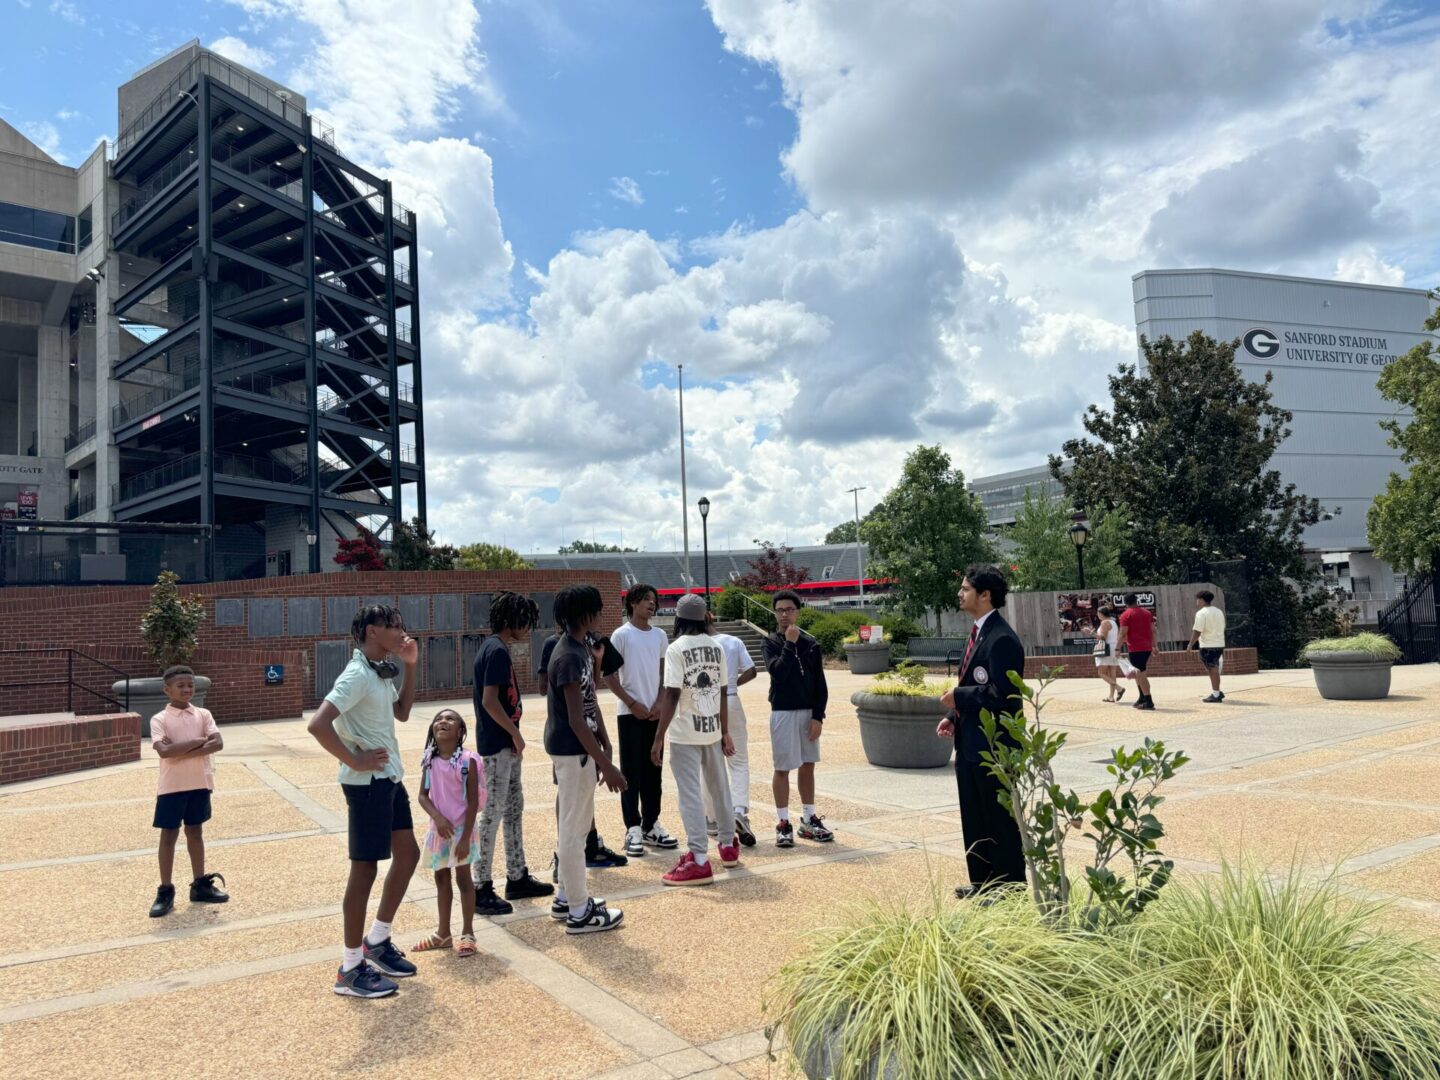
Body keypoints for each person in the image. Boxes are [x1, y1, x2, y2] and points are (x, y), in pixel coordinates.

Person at [308, 604, 421, 999]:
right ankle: (351, 966)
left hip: (388, 777)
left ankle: (377, 940)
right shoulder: (356, 673)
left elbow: (402, 713)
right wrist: (354, 759)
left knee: (407, 855)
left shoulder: (376, 671)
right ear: (372, 631)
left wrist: (410, 666)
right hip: (367, 782)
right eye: (394, 626)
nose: (401, 632)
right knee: (365, 870)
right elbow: (318, 723)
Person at [937, 565, 1027, 897]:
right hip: (972, 741)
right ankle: (983, 882)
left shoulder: (1002, 638)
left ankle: (1010, 888)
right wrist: (954, 715)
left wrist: (958, 697)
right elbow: (975, 684)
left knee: (999, 818)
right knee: (975, 814)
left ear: (985, 595)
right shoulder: (978, 631)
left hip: (996, 746)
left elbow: (1004, 695)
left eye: (965, 589)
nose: (960, 594)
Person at [545, 585, 627, 934]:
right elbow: (576, 718)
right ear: (586, 615)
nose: (602, 613)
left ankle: (567, 896)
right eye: (598, 609)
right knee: (575, 831)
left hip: (581, 749)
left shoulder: (579, 650)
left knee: (574, 825)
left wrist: (605, 744)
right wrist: (606, 765)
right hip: (572, 749)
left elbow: (590, 702)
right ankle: (579, 912)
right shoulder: (567, 655)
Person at [472, 592, 552, 917]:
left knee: (514, 807)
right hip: (498, 745)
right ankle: (480, 887)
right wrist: (516, 733)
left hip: (505, 745)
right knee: (492, 812)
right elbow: (490, 702)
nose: (529, 629)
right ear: (512, 620)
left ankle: (516, 875)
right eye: (526, 622)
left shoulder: (495, 648)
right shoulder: (496, 652)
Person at [651, 593, 740, 885]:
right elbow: (724, 691)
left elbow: (672, 693)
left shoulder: (677, 648)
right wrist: (725, 730)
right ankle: (728, 846)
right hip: (712, 728)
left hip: (684, 731)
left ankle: (699, 859)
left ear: (678, 618)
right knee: (719, 788)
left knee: (690, 793)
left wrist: (658, 736)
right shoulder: (716, 647)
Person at [148, 665, 228, 917]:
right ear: (167, 689)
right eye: (180, 685)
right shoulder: (160, 719)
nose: (186, 689)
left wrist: (180, 750)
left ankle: (200, 884)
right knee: (169, 835)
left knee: (196, 832)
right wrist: (197, 742)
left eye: (190, 685)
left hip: (199, 783)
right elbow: (163, 751)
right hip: (172, 786)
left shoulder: (203, 714)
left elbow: (218, 743)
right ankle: (165, 889)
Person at [606, 583, 680, 858]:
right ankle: (632, 827)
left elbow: (664, 675)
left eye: (654, 600)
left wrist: (660, 702)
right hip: (630, 714)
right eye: (646, 599)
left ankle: (651, 824)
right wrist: (632, 703)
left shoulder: (660, 635)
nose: (652, 604)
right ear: (632, 603)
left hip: (654, 713)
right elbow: (609, 677)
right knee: (631, 772)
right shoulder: (621, 635)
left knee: (654, 769)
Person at [763, 589, 832, 847]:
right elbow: (778, 674)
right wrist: (789, 644)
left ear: (797, 611)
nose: (784, 614)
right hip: (782, 712)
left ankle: (808, 817)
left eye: (789, 609)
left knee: (808, 764)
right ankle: (783, 822)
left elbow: (819, 684)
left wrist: (818, 716)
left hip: (807, 712)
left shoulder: (812, 644)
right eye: (779, 610)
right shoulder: (770, 643)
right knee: (782, 767)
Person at [414, 709, 482, 958]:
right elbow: (422, 795)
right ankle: (443, 933)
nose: (443, 721)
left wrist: (464, 839)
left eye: (450, 719)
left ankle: (468, 933)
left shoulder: (468, 761)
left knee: (463, 879)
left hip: (462, 830)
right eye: (439, 719)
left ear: (461, 731)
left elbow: (473, 802)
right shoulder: (429, 759)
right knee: (441, 878)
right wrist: (438, 818)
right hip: (439, 829)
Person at [705, 611, 759, 845]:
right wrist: (733, 684)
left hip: (706, 702)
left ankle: (713, 818)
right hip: (732, 699)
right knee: (738, 760)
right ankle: (739, 810)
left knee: (708, 762)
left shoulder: (695, 645)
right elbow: (752, 670)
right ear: (712, 618)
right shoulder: (732, 641)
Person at [1117, 593, 1157, 711]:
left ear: (1125, 603)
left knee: (1141, 673)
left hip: (1135, 648)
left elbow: (1123, 632)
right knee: (1139, 673)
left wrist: (1117, 648)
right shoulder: (1147, 613)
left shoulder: (1126, 615)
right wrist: (1155, 646)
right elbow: (1153, 630)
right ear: (1136, 600)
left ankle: (1149, 701)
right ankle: (1142, 698)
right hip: (1147, 647)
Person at [1189, 590, 1227, 703]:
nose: (1197, 601)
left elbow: (1197, 631)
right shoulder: (1219, 611)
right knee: (1214, 668)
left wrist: (1190, 644)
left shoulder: (1201, 613)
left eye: (1198, 599)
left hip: (1208, 645)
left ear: (1201, 600)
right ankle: (1217, 691)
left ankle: (1216, 694)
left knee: (1212, 669)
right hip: (1219, 644)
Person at [1094, 604, 1124, 703]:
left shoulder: (1104, 622)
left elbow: (1103, 638)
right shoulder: (1114, 622)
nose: (1097, 615)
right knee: (1112, 673)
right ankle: (1111, 697)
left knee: (1101, 673)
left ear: (1101, 614)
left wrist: (1091, 633)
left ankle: (1119, 688)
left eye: (1098, 613)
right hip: (1114, 648)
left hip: (1107, 649)